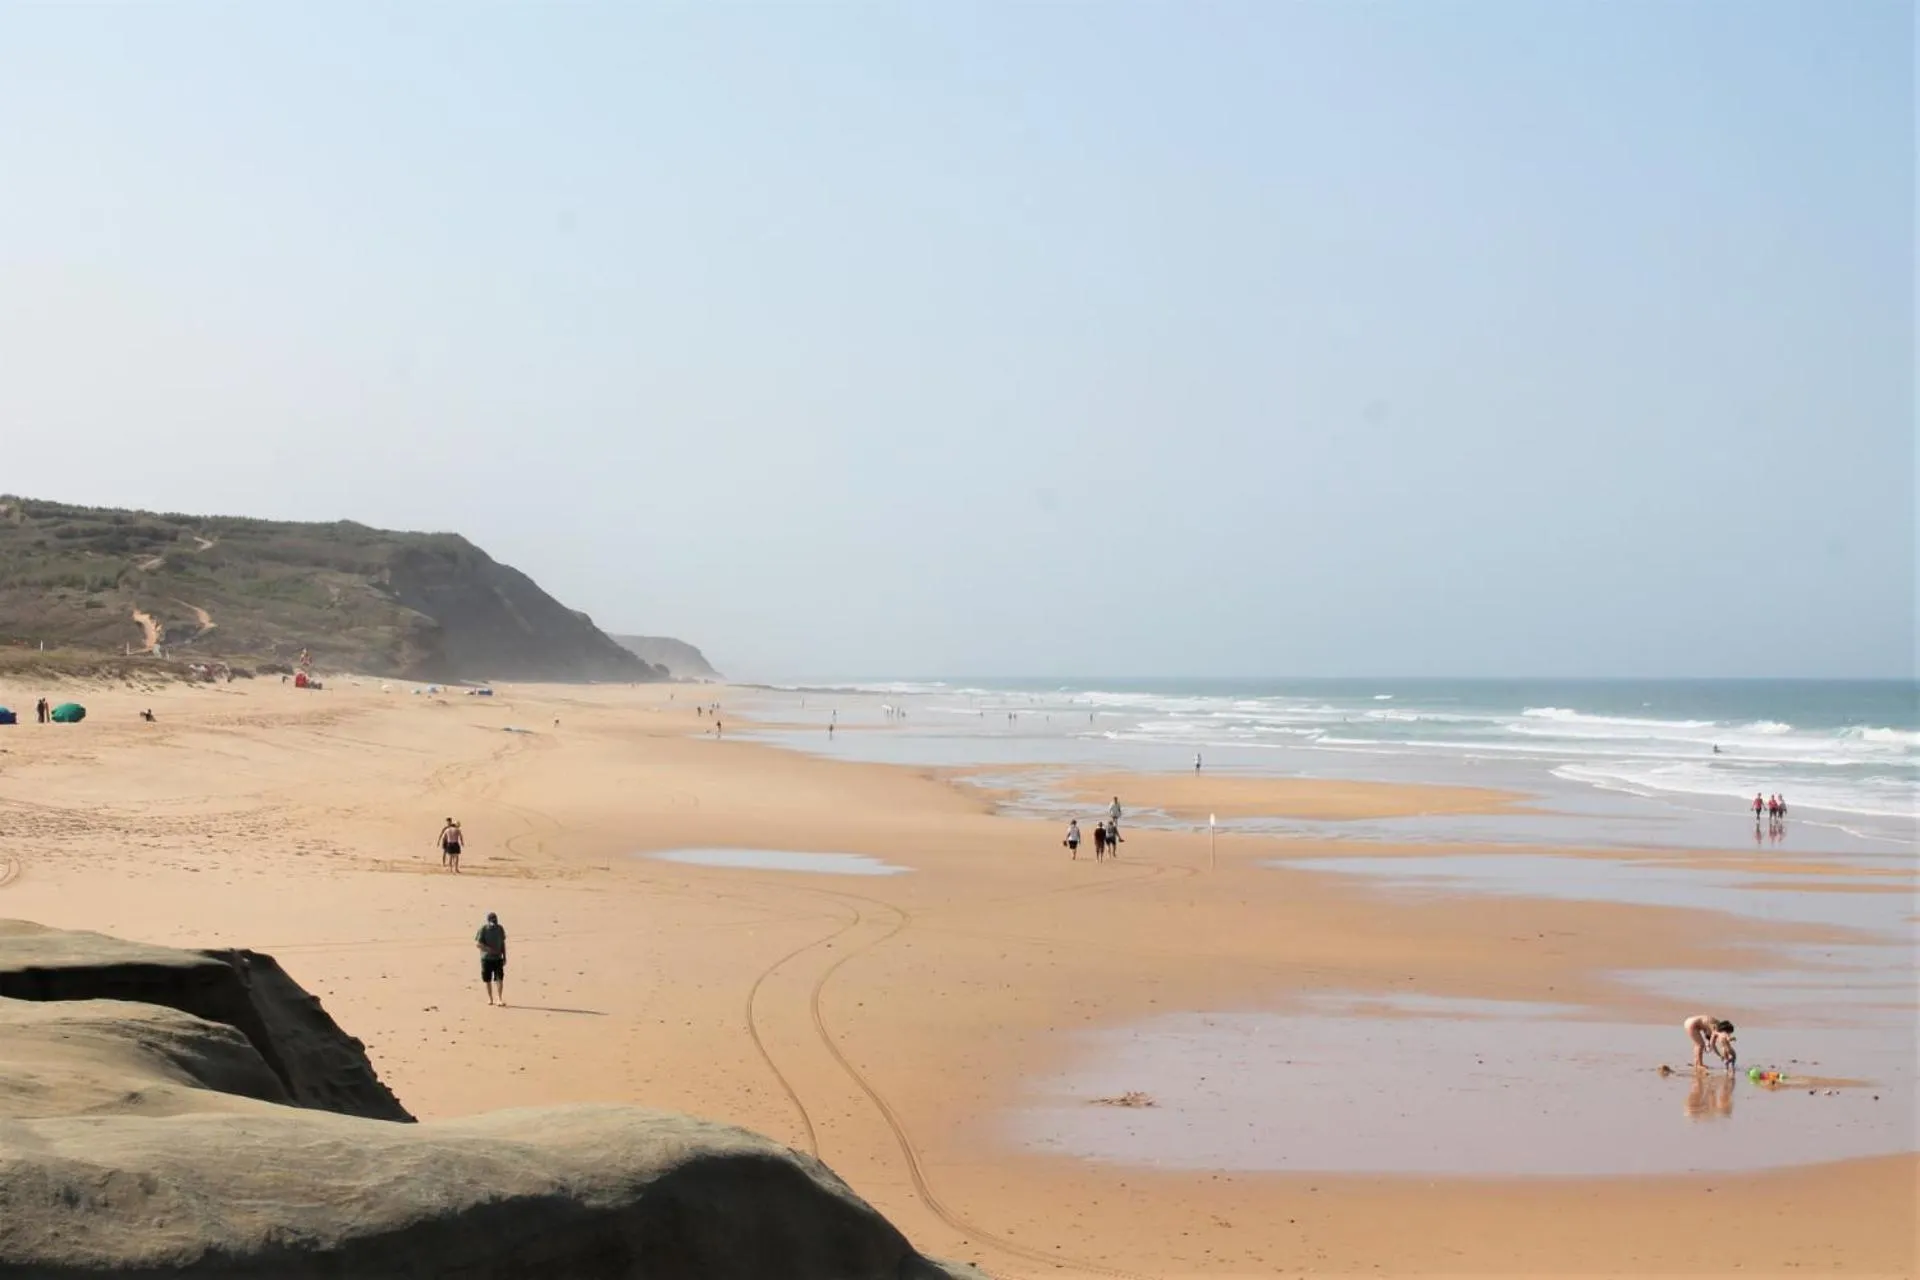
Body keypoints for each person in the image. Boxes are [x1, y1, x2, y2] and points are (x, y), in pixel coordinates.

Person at [475, 912, 507, 1006]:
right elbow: (478, 944)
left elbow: (502, 943)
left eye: (495, 921)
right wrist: (488, 949)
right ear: (488, 921)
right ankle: (490, 998)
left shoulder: (500, 929)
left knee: (499, 978)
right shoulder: (483, 929)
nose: (494, 924)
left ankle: (500, 999)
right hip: (486, 959)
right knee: (487, 979)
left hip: (498, 958)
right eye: (492, 922)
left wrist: (504, 956)